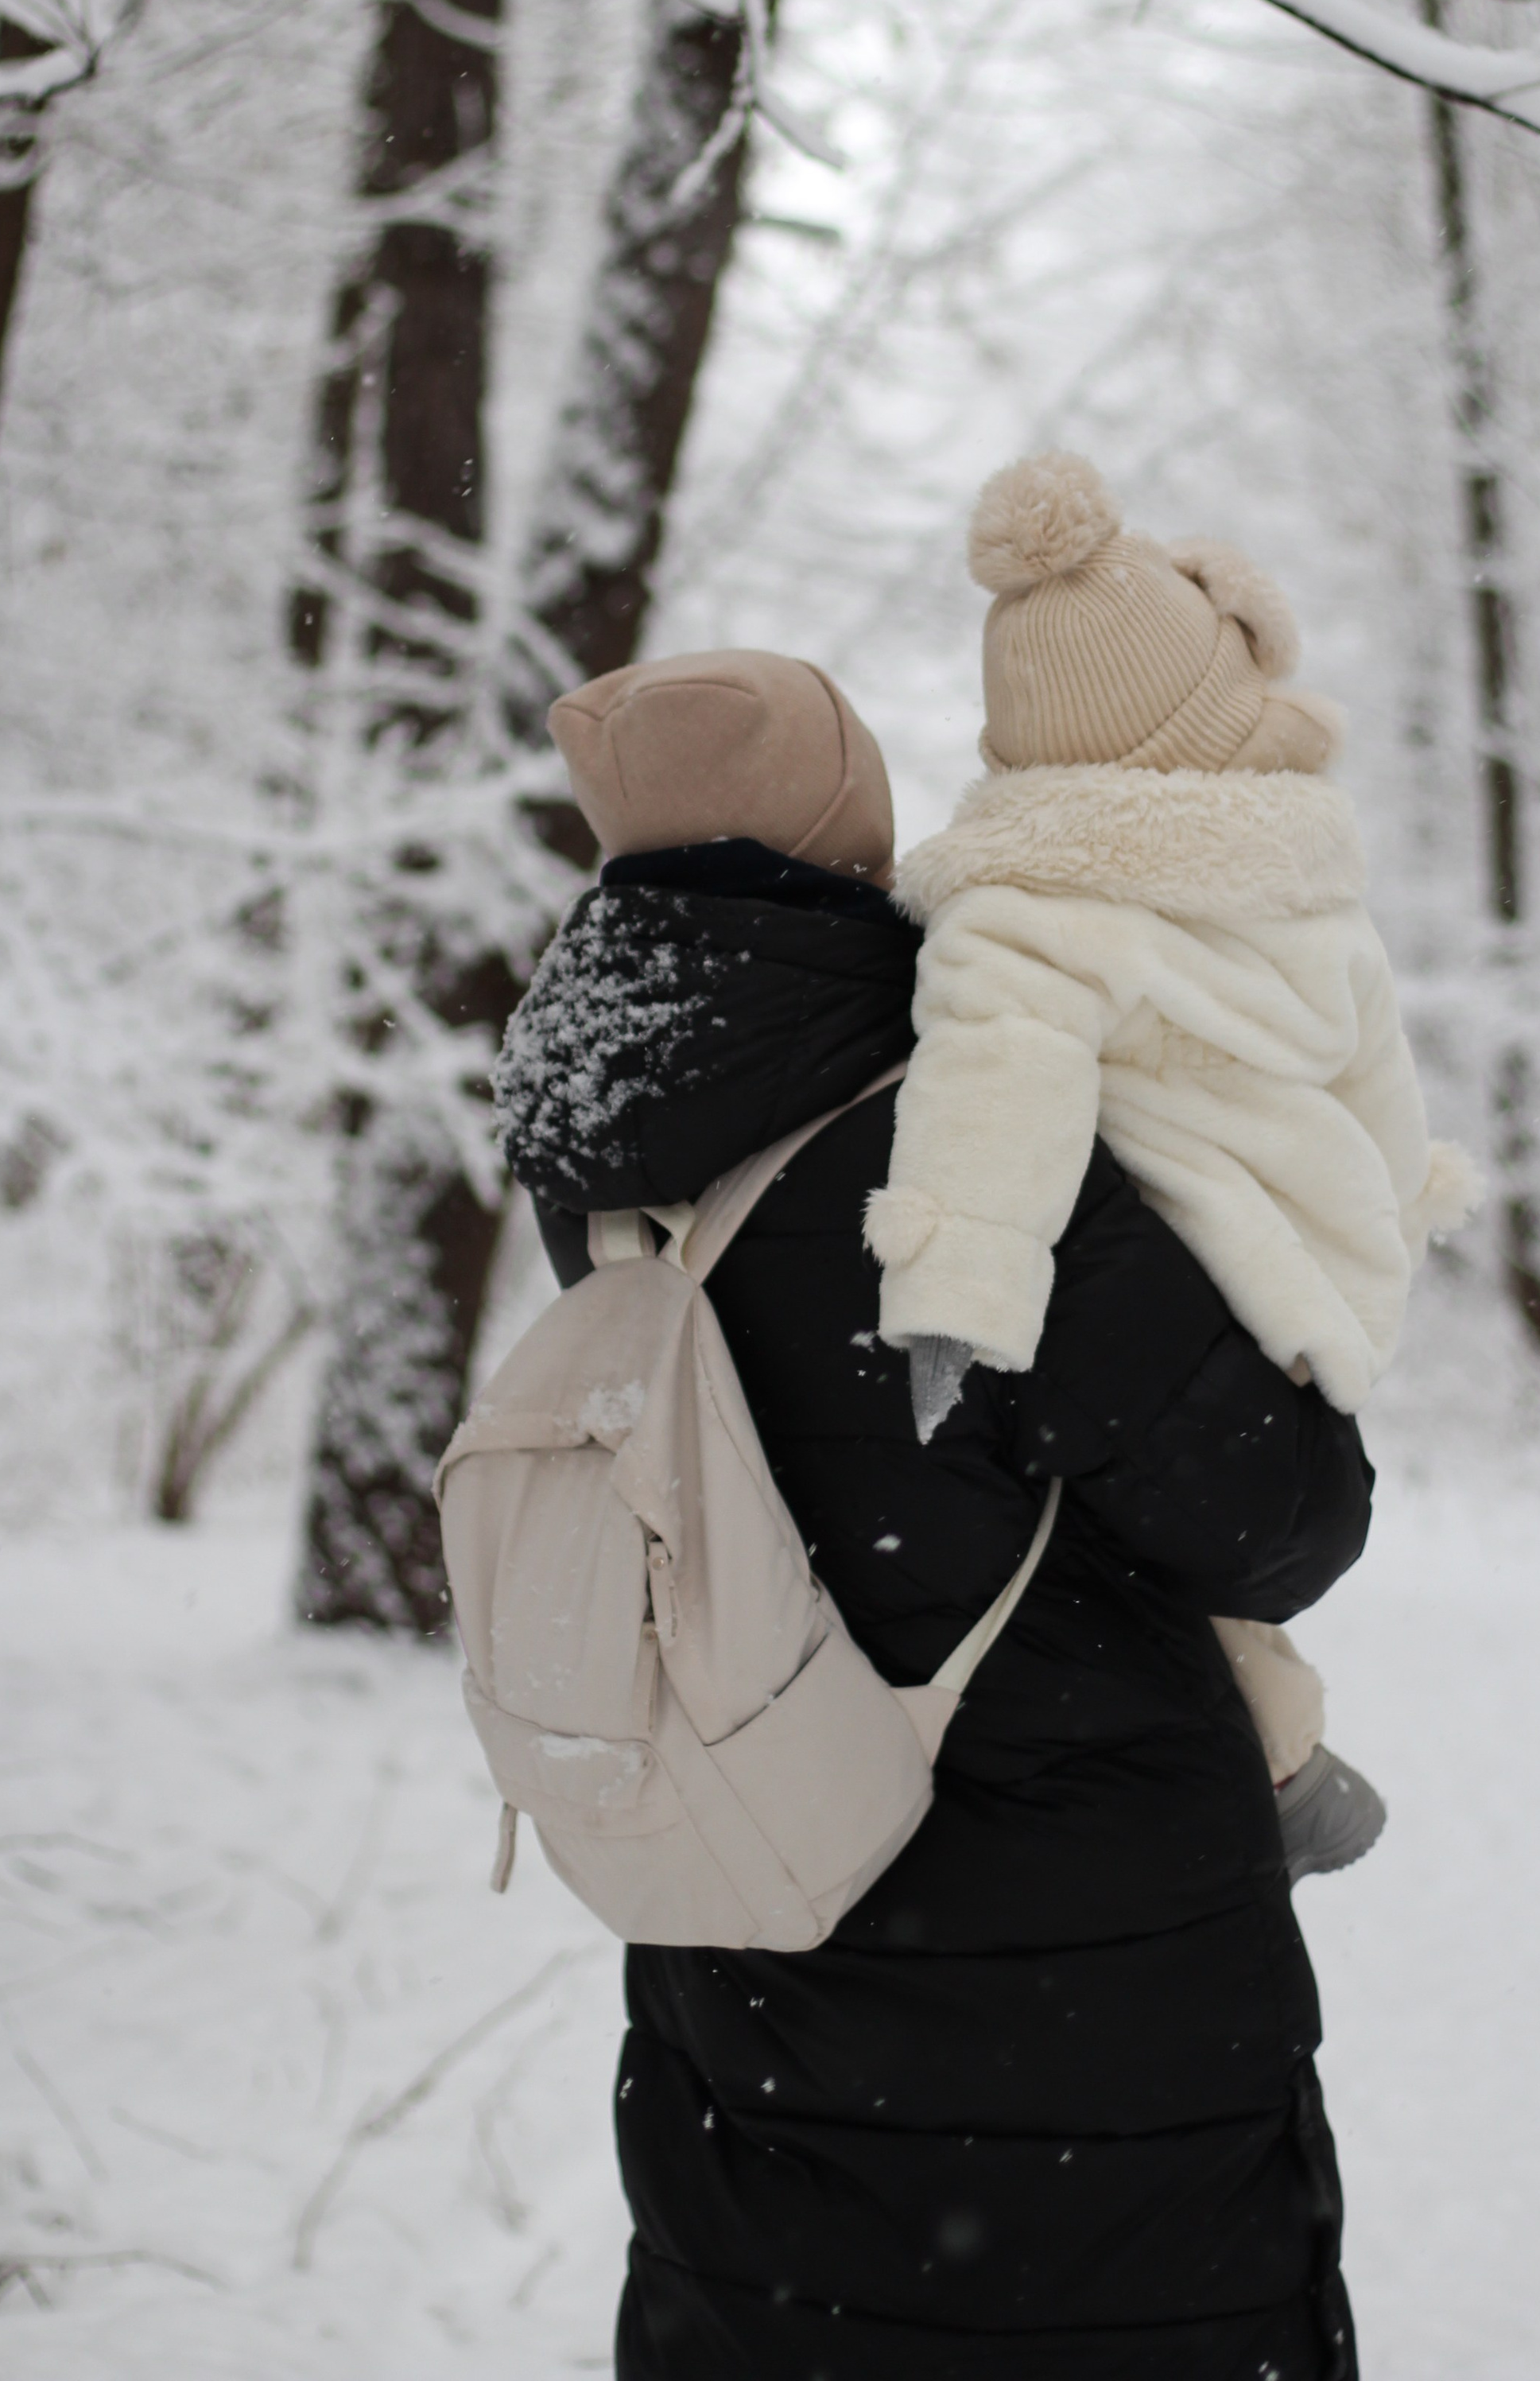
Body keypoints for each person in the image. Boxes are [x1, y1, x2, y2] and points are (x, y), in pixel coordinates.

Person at [495, 644, 1372, 2381]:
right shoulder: (961, 1135)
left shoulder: (599, 1154)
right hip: (1083, 2005)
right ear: (855, 826)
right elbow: (1277, 1517)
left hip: (747, 1945)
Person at [867, 453, 1480, 1860]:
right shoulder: (1313, 887)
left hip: (1170, 1293)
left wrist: (953, 1301)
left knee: (1100, 1553)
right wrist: (1392, 1215)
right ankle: (1279, 1760)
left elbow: (994, 1094)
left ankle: (1268, 1759)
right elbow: (1381, 1097)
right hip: (1312, 1294)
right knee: (1199, 1567)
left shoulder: (1024, 907)